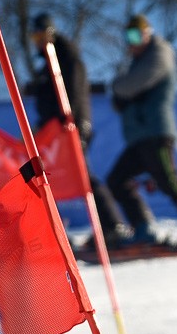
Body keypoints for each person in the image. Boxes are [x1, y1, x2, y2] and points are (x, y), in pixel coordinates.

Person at [27, 13, 131, 248]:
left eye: (41, 35)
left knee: (82, 176)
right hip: (55, 130)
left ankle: (113, 225)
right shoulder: (47, 63)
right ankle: (60, 230)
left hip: (69, 127)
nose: (37, 41)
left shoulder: (67, 57)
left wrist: (70, 122)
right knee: (56, 178)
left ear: (51, 34)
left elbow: (73, 92)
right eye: (34, 37)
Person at [108, 14, 177, 249]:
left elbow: (128, 87)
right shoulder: (138, 61)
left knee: (169, 182)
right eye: (127, 36)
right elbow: (124, 94)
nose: (131, 42)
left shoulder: (159, 53)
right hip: (139, 137)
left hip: (155, 133)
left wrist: (119, 88)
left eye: (136, 35)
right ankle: (143, 227)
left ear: (148, 33)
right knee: (117, 180)